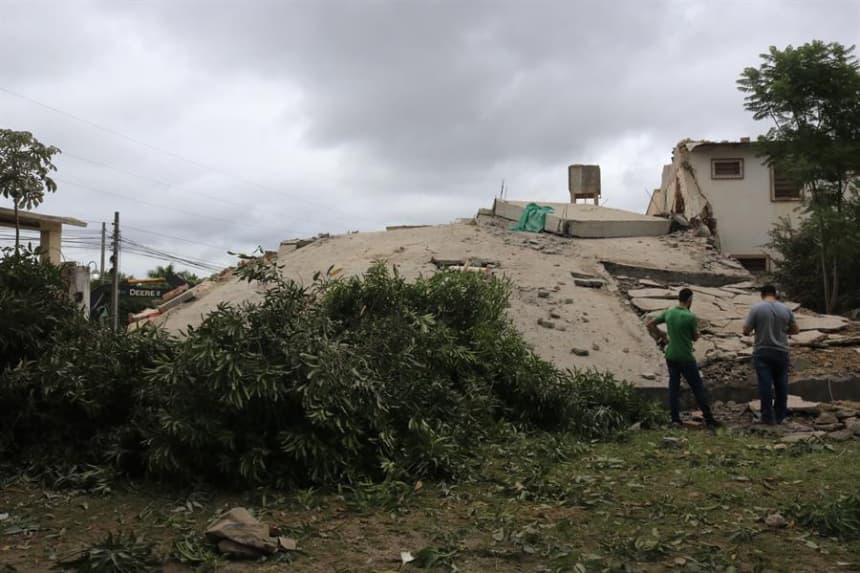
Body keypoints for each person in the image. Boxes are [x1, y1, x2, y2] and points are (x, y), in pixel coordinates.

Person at [647, 288, 719, 428]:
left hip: (671, 355)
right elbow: (695, 337)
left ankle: (675, 419)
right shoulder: (690, 317)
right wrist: (698, 333)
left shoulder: (669, 312)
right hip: (685, 356)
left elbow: (650, 324)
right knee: (697, 387)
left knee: (673, 387)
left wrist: (662, 335)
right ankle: (709, 418)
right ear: (690, 300)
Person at [743, 284, 799, 424]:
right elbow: (795, 329)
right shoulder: (786, 309)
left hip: (763, 351)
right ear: (775, 294)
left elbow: (746, 330)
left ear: (762, 295)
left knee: (765, 384)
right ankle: (780, 416)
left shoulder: (756, 308)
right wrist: (783, 331)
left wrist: (757, 329)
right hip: (781, 352)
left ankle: (767, 417)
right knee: (781, 384)